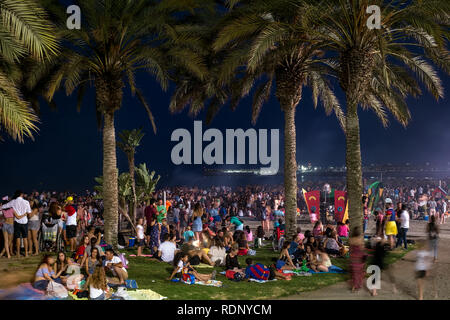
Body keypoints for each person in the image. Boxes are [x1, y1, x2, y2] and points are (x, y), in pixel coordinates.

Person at [2, 191, 31, 258]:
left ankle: (18, 253)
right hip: (24, 221)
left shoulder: (13, 201)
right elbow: (29, 212)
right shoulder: (26, 202)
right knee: (25, 238)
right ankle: (26, 253)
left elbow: (4, 206)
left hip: (17, 221)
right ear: (21, 194)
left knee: (17, 238)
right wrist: (25, 214)